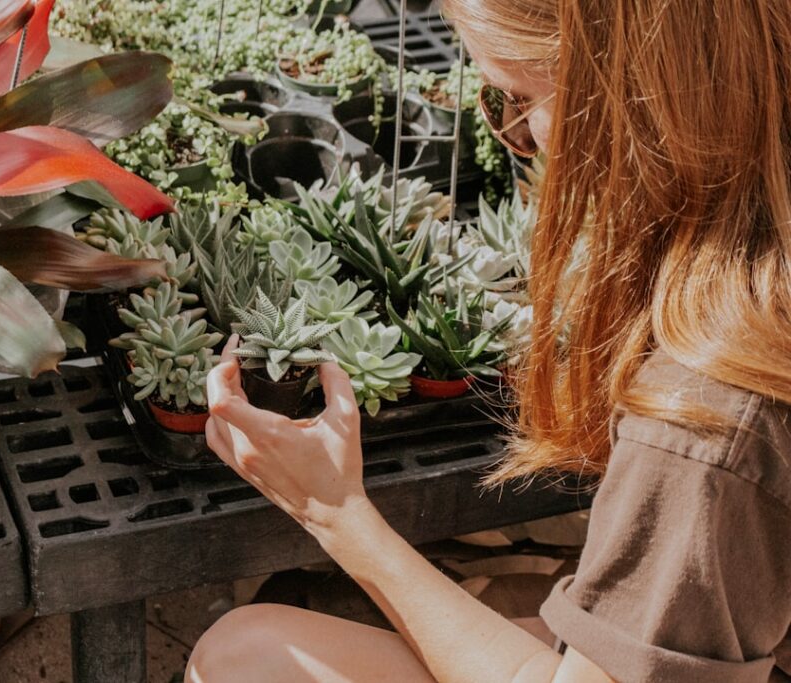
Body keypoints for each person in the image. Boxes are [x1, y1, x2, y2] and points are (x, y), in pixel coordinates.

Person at [186, 0, 791, 680]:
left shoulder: (705, 408)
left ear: (634, 92)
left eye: (521, 97)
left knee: (246, 657)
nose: (519, 137)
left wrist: (337, 515)